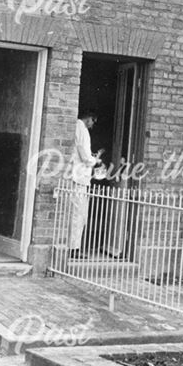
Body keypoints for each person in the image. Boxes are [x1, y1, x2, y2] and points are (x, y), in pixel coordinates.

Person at [68, 109, 104, 256]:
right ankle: (74, 248)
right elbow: (85, 157)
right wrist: (96, 160)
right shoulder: (82, 129)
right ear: (89, 118)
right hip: (80, 178)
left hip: (78, 176)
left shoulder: (78, 128)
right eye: (93, 122)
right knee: (79, 214)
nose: (92, 126)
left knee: (78, 213)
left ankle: (73, 246)